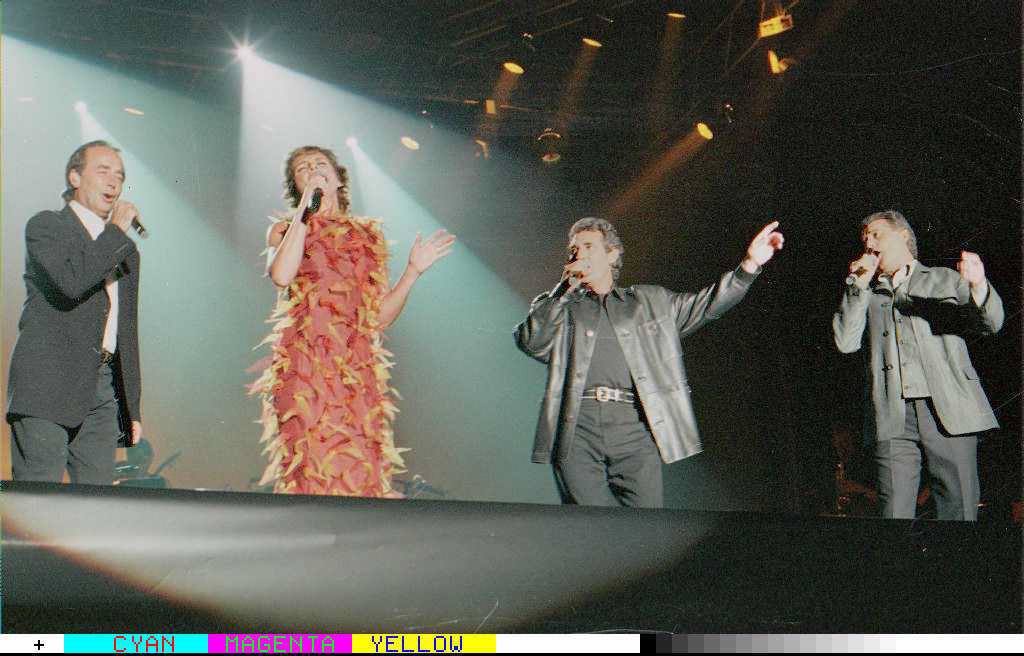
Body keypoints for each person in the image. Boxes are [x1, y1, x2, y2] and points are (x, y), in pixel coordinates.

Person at [514, 217, 783, 507]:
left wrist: (749, 266)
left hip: (635, 427)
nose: (578, 253)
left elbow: (707, 304)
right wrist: (563, 290)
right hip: (577, 429)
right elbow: (532, 342)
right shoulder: (559, 305)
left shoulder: (650, 302)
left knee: (644, 525)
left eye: (588, 245)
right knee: (591, 526)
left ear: (612, 254)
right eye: (573, 248)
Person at [251, 145, 455, 496]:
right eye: (303, 169)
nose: (313, 170)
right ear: (296, 185)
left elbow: (377, 320)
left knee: (360, 470)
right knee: (313, 468)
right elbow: (282, 275)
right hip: (306, 367)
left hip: (356, 374)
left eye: (320, 165)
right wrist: (305, 210)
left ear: (338, 179)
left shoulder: (367, 238)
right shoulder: (286, 230)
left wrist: (412, 272)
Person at [832, 209, 1003, 521]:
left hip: (948, 408)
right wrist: (857, 286)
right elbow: (845, 342)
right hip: (892, 413)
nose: (868, 242)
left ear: (903, 235)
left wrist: (978, 286)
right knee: (894, 514)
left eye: (876, 234)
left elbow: (991, 323)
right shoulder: (867, 295)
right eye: (865, 238)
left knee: (959, 509)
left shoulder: (941, 278)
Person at [7, 140, 144, 484]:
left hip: (101, 388)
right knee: (41, 499)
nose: (114, 181)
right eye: (103, 171)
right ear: (74, 177)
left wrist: (132, 407)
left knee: (97, 508)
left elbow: (125, 330)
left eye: (120, 175)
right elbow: (72, 281)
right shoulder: (47, 226)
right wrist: (114, 232)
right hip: (48, 381)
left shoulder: (124, 251)